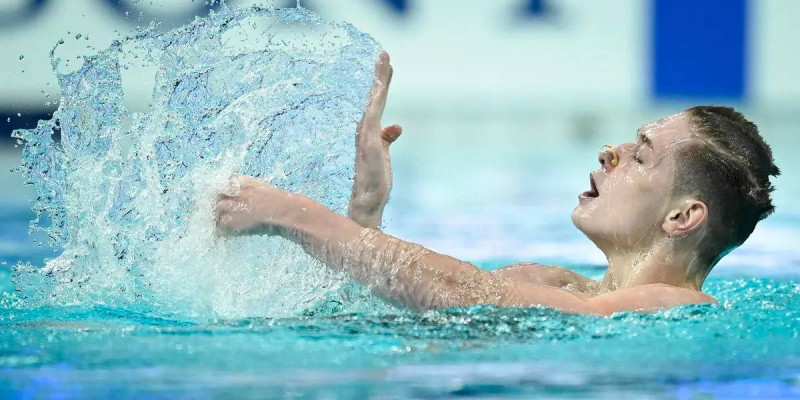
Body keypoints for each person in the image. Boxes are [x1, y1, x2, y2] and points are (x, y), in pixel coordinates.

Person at [215, 52, 780, 315]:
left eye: (642, 156)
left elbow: (463, 294)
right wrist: (366, 211)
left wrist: (291, 214)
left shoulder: (671, 305)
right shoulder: (562, 284)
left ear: (682, 218)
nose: (611, 153)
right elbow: (405, 311)